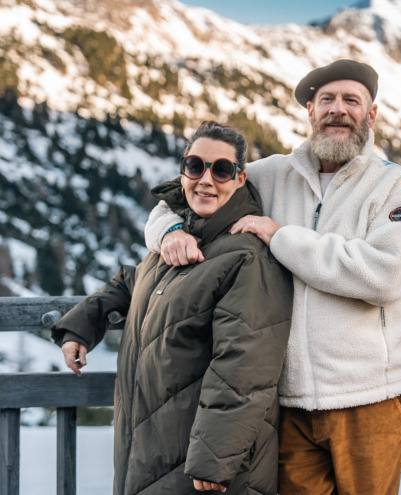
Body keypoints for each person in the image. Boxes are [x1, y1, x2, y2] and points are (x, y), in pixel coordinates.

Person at [143, 60, 401, 494]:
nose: (338, 109)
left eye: (352, 100)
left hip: (375, 397)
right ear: (309, 111)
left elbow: (385, 277)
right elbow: (185, 192)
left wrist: (281, 237)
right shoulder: (267, 175)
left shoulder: (396, 185)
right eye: (326, 100)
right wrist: (168, 231)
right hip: (290, 402)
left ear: (371, 115)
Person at [51, 121, 293, 494]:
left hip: (202, 467)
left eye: (222, 169)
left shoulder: (246, 257)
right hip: (153, 452)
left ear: (240, 179)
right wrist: (82, 325)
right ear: (183, 171)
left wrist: (215, 459)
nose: (206, 180)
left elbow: (244, 366)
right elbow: (135, 282)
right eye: (195, 166)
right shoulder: (180, 237)